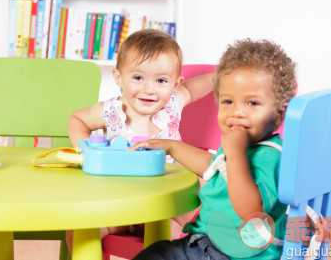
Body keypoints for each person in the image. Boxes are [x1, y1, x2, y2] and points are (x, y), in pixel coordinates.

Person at [128, 38, 297, 259]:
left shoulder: (270, 156)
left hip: (236, 253)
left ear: (279, 113)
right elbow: (214, 167)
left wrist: (235, 155)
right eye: (228, 102)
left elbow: (251, 212)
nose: (237, 112)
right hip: (205, 243)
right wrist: (171, 146)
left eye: (252, 103)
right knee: (154, 254)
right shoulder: (241, 145)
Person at [66, 29, 215, 245]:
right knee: (78, 230)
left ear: (175, 84)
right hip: (120, 205)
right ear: (119, 78)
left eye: (161, 81)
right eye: (138, 77)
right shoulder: (112, 111)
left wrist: (225, 74)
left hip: (166, 209)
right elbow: (78, 119)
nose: (149, 89)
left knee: (202, 193)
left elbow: (194, 88)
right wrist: (85, 149)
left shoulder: (173, 105)